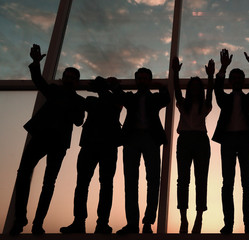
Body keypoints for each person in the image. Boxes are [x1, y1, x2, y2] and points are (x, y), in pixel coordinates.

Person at [10, 44, 85, 235]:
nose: (68, 80)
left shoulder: (77, 101)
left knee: (48, 182)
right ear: (63, 79)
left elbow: (78, 121)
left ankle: (37, 223)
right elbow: (38, 81)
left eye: (72, 78)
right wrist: (35, 62)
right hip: (41, 137)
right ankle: (20, 219)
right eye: (66, 77)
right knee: (24, 174)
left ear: (76, 82)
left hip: (58, 143)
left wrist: (72, 106)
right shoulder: (54, 90)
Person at [60, 77, 123, 234]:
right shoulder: (93, 100)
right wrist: (104, 88)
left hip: (101, 146)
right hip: (94, 145)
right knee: (89, 184)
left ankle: (95, 222)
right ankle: (86, 222)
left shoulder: (111, 100)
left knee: (97, 185)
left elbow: (114, 101)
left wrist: (103, 89)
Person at [212, 45, 249, 234]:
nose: (237, 81)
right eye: (234, 79)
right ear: (230, 81)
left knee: (247, 182)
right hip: (228, 141)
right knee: (228, 183)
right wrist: (222, 69)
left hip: (245, 140)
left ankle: (248, 223)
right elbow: (217, 90)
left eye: (240, 78)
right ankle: (229, 224)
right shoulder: (225, 99)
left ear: (243, 81)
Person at [116, 67, 170, 234]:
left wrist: (161, 86)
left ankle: (148, 222)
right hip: (131, 140)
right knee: (130, 182)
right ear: (135, 80)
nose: (142, 81)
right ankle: (132, 223)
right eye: (139, 78)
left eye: (146, 78)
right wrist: (114, 85)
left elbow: (166, 99)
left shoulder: (154, 98)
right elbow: (119, 94)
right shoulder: (130, 98)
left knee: (153, 181)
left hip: (150, 139)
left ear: (149, 80)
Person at [171, 57, 214, 234]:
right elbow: (176, 91)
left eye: (198, 87)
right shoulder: (183, 104)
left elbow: (210, 93)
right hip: (185, 140)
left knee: (201, 180)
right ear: (189, 90)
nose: (195, 89)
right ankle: (183, 218)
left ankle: (199, 218)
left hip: (201, 141)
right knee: (183, 180)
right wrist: (176, 73)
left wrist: (210, 77)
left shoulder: (205, 105)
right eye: (192, 87)